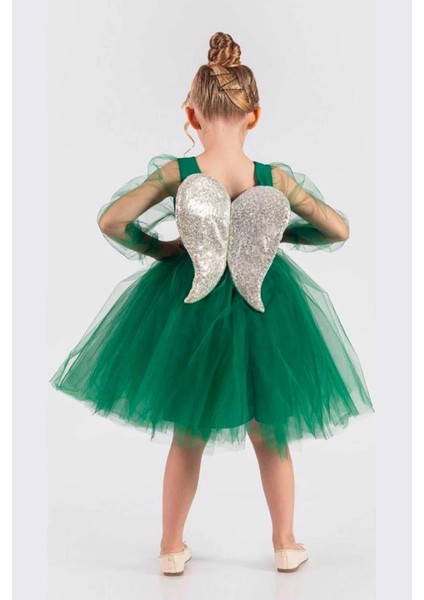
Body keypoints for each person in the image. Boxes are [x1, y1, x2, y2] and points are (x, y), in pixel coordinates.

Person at [50, 31, 375, 576]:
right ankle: (285, 543)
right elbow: (338, 228)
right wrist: (278, 235)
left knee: (188, 432)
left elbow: (112, 220)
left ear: (191, 114)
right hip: (265, 307)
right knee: (269, 431)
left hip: (190, 306)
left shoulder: (179, 174)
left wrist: (159, 249)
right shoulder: (272, 180)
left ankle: (171, 547)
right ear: (255, 115)